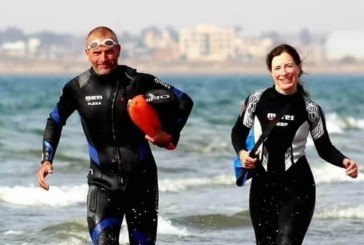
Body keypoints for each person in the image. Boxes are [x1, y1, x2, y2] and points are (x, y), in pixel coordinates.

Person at [37, 26, 193, 245]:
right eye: (97, 53)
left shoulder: (137, 81)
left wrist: (169, 135)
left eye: (109, 52)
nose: (103, 58)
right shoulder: (77, 88)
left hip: (142, 181)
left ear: (118, 51)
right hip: (102, 183)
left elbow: (183, 100)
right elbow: (55, 120)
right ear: (87, 54)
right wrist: (47, 159)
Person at [231, 43, 359, 245]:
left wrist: (345, 162)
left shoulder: (311, 109)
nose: (284, 73)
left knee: (288, 241)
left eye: (289, 66)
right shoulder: (256, 100)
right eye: (277, 68)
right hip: (262, 187)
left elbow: (325, 148)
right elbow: (238, 132)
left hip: (298, 188)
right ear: (270, 72)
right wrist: (242, 154)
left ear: (299, 68)